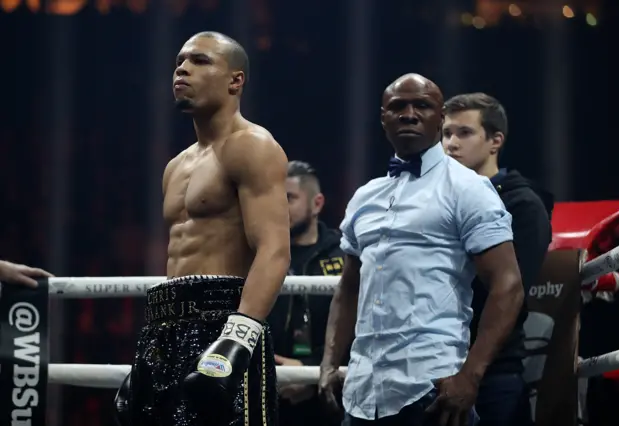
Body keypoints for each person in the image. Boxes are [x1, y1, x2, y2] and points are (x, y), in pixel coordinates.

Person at [318, 73, 524, 426]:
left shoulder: (468, 188)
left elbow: (509, 284)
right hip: (362, 393)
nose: (409, 114)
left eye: (422, 106)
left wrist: (470, 376)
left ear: (439, 117)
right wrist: (328, 364)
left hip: (430, 387)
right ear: (384, 118)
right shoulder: (365, 197)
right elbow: (349, 286)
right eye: (398, 106)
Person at [114, 32, 290, 426]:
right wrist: (147, 354)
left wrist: (236, 341)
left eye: (200, 60)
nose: (182, 68)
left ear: (235, 80)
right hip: (164, 327)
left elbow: (274, 251)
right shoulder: (175, 167)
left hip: (225, 319)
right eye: (179, 61)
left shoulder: (253, 146)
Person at [442, 92, 553, 426]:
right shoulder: (438, 200)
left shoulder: (523, 205)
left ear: (495, 141)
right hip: (435, 364)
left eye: (464, 132)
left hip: (491, 368)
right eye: (446, 134)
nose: (451, 144)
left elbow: (510, 294)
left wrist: (474, 369)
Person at [267, 160, 345, 426]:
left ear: (317, 204)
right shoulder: (257, 256)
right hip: (268, 391)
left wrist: (310, 370)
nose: (279, 207)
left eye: (289, 198)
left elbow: (359, 325)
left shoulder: (344, 257)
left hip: (329, 396)